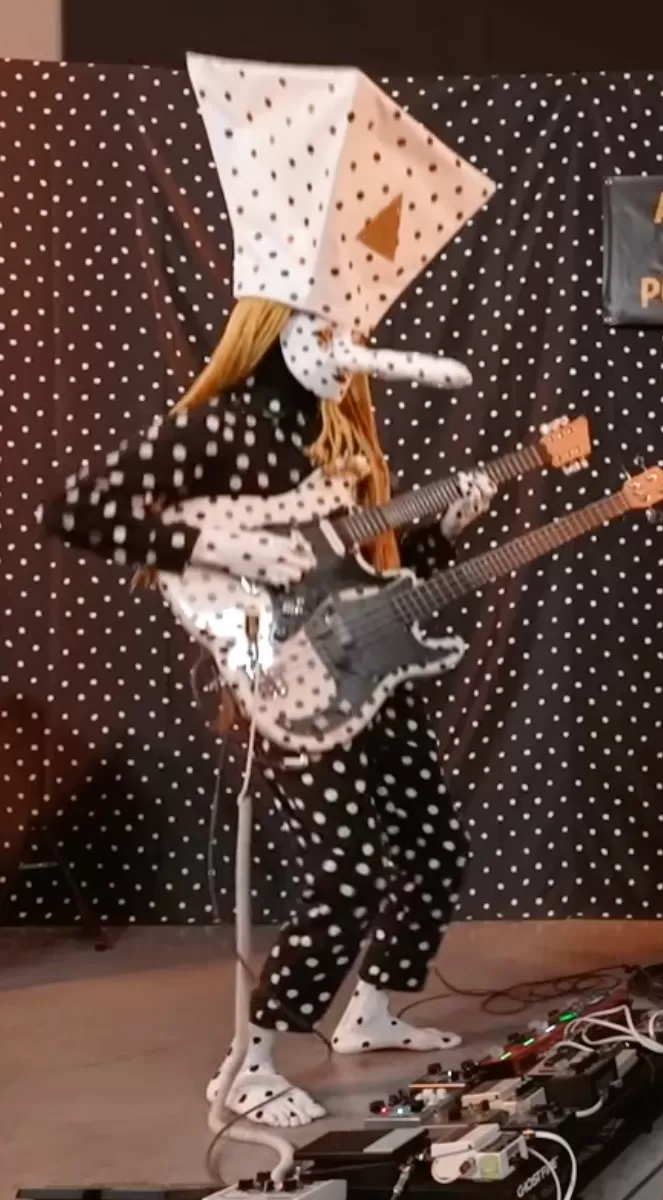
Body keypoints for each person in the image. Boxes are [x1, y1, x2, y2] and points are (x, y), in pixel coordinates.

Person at [40, 53, 498, 1128]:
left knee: (433, 841)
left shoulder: (338, 435)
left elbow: (354, 568)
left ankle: (371, 1011)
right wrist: (223, 541)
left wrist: (436, 532)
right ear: (276, 324)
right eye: (327, 327)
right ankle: (247, 1064)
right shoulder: (224, 427)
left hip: (369, 668)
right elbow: (81, 510)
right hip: (289, 683)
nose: (348, 348)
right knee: (349, 868)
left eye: (353, 331)